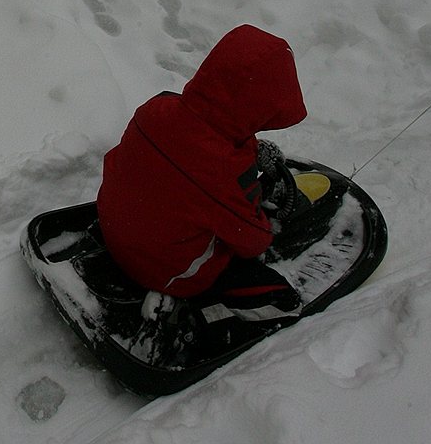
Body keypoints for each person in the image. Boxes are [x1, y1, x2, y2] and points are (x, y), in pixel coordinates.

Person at [96, 24, 307, 322]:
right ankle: (184, 307)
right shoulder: (225, 174)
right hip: (164, 271)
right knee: (279, 295)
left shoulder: (157, 109)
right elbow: (253, 240)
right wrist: (260, 209)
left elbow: (195, 144)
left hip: (111, 225)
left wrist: (248, 151)